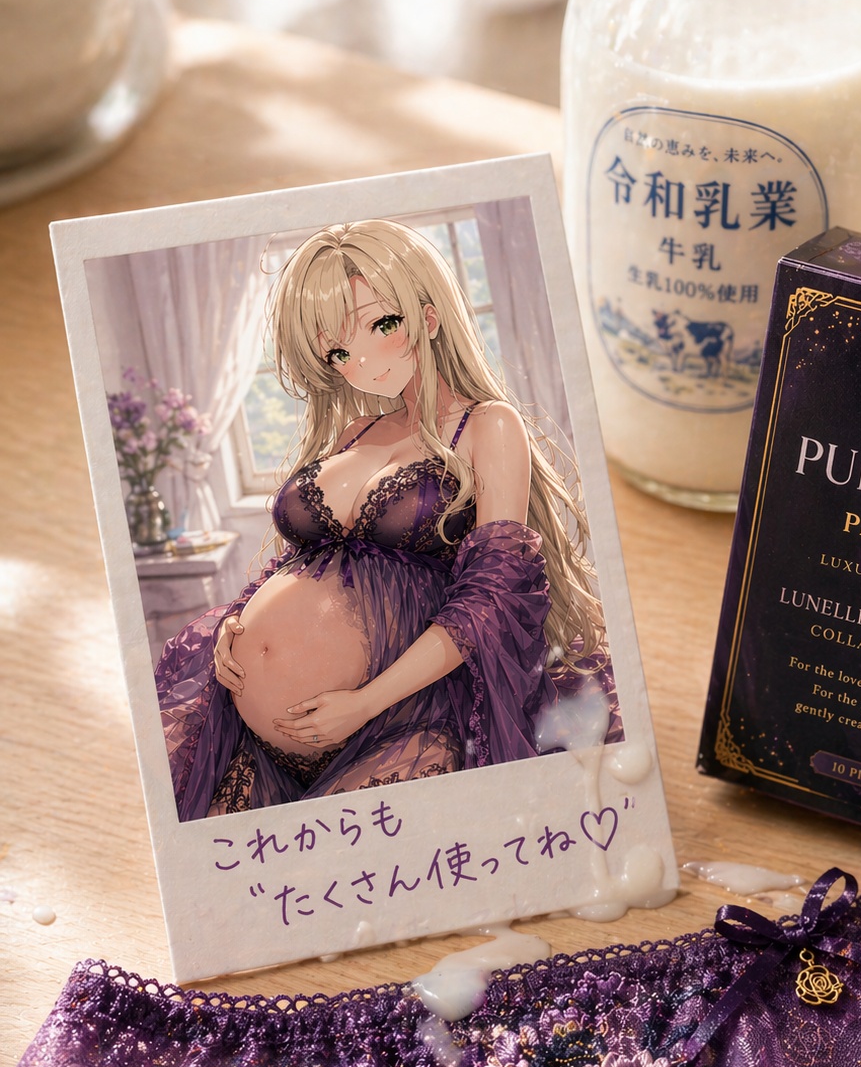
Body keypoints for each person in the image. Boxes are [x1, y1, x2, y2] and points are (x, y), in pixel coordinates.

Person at [155, 218, 619, 820]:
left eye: (382, 325)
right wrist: (236, 625)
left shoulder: (487, 425)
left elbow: (494, 597)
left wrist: (366, 702)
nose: (363, 362)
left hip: (405, 718)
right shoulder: (355, 431)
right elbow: (303, 567)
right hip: (253, 734)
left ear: (429, 317)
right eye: (338, 352)